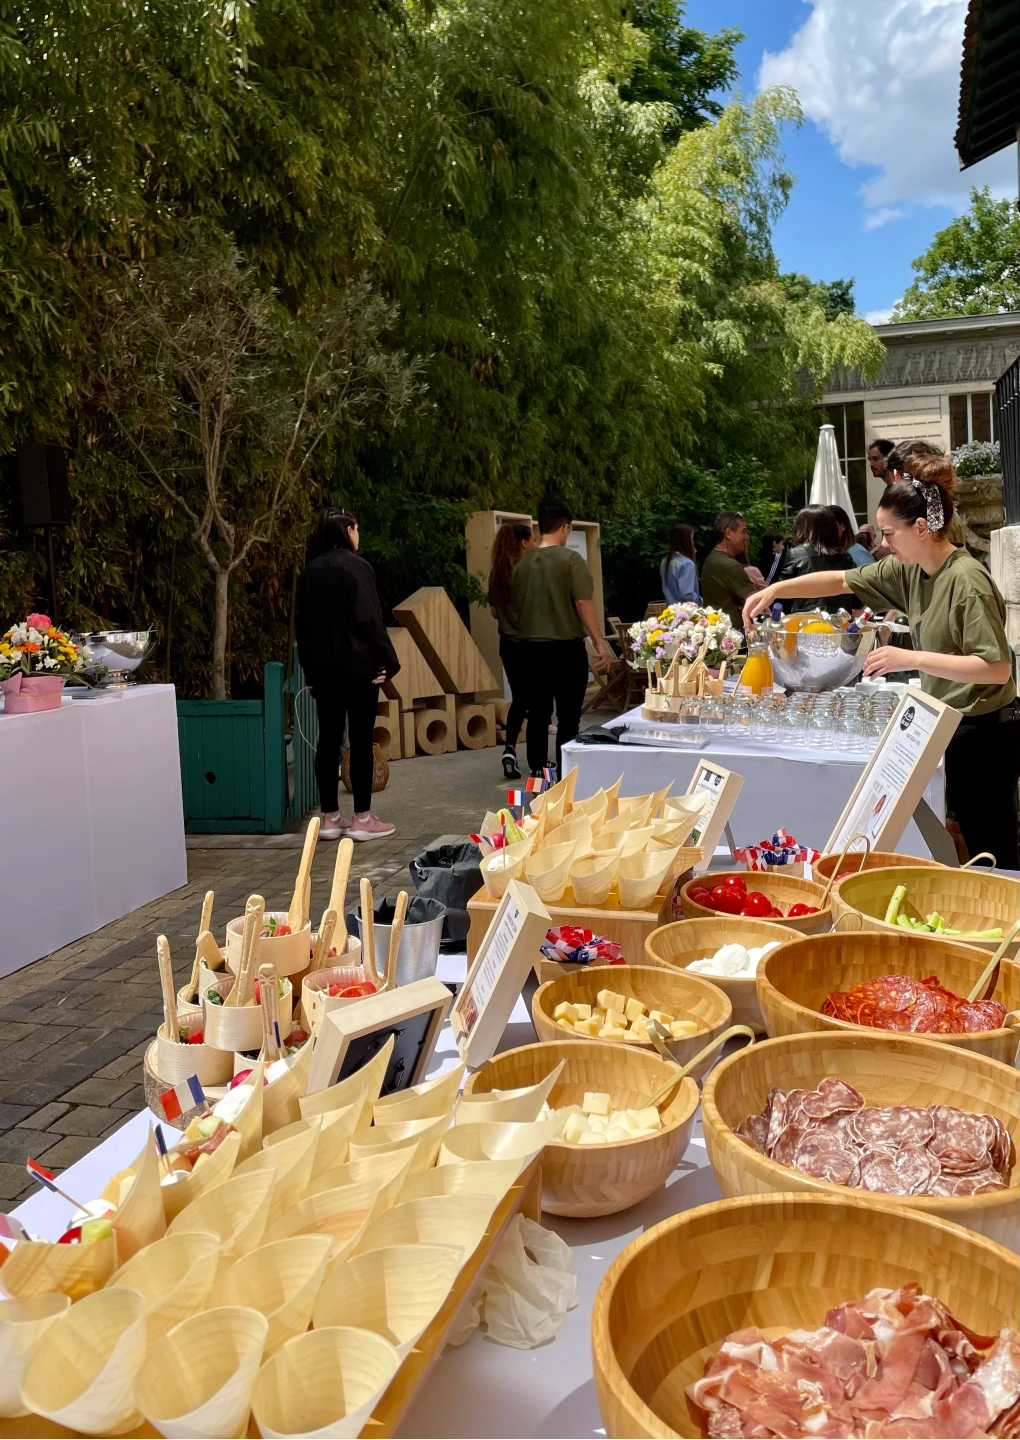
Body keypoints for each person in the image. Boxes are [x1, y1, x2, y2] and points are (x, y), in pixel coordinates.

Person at [743, 452, 1020, 868]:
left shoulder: (967, 581)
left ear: (922, 528)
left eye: (890, 534)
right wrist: (775, 591)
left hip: (985, 735)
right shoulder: (909, 571)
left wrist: (911, 657)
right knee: (974, 851)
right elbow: (839, 580)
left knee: (996, 854)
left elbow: (996, 668)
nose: (882, 543)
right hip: (953, 727)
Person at [296, 507, 399, 842]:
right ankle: (362, 819)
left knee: (328, 741)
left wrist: (310, 671)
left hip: (323, 673)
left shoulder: (309, 571)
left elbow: (302, 628)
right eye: (357, 529)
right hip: (360, 671)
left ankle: (329, 818)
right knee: (360, 740)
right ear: (350, 530)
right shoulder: (358, 567)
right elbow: (369, 619)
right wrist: (389, 661)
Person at [510, 498, 613, 778]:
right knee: (569, 718)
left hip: (530, 649)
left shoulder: (522, 565)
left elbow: (515, 610)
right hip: (566, 650)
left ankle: (538, 773)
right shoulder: (571, 560)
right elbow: (583, 603)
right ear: (565, 528)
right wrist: (599, 642)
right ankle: (566, 774)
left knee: (538, 715)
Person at [488, 522, 535, 780]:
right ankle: (539, 763)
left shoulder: (497, 573)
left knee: (519, 698)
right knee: (536, 700)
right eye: (532, 540)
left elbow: (495, 611)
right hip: (529, 643)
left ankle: (509, 749)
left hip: (507, 643)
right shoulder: (526, 571)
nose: (535, 544)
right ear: (523, 543)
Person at [777, 505, 858, 612]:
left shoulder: (796, 554)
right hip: (840, 623)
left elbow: (781, 594)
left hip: (805, 623)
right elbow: (856, 601)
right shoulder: (846, 558)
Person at [701, 512, 761, 630]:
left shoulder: (711, 558)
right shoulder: (730, 566)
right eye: (743, 531)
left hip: (720, 634)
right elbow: (757, 604)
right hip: (735, 639)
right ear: (728, 533)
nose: (747, 537)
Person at [660, 523, 701, 605]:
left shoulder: (665, 561)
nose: (693, 543)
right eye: (692, 539)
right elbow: (687, 594)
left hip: (670, 611)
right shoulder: (687, 564)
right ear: (686, 541)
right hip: (686, 612)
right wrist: (701, 601)